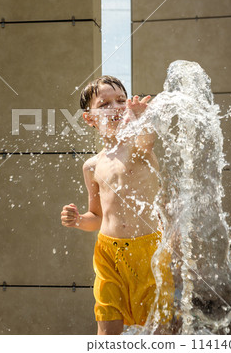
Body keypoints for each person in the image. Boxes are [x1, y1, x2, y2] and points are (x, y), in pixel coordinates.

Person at [61, 75, 173, 335]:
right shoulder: (91, 166)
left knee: (159, 330)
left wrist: (142, 118)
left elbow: (147, 139)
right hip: (107, 254)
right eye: (105, 104)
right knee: (107, 326)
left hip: (148, 250)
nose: (117, 107)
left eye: (121, 100)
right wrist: (79, 220)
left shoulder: (139, 148)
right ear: (89, 118)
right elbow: (97, 217)